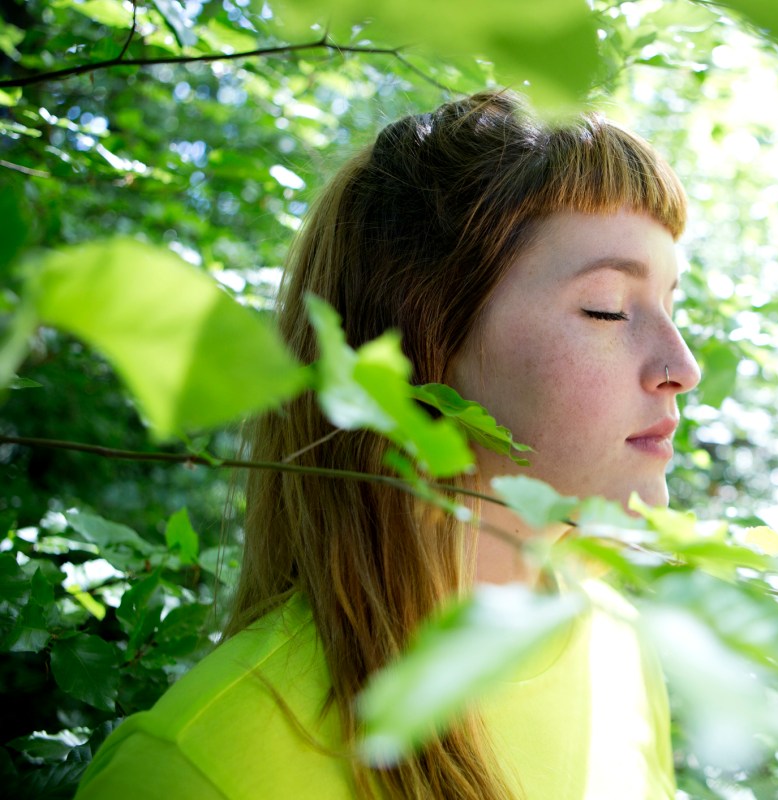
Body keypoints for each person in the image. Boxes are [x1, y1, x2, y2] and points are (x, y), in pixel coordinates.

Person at [74, 89, 701, 799]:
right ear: (422, 350)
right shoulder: (200, 768)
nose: (682, 365)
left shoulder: (612, 640)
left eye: (672, 304)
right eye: (607, 308)